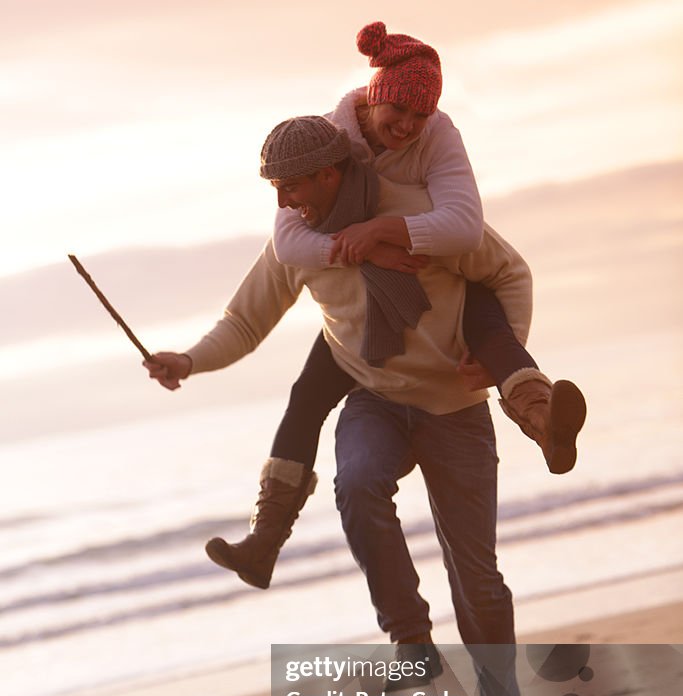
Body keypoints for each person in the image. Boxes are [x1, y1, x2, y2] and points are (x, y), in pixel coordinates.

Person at [145, 115, 548, 696]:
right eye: (274, 189)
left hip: (454, 409)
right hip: (376, 399)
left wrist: (504, 344)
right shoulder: (296, 243)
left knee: (478, 586)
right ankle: (411, 644)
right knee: (356, 484)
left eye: (293, 186)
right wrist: (187, 359)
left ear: (332, 172)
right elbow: (244, 323)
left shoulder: (423, 219)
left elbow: (508, 270)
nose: (283, 203)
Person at [200, 22, 586, 591]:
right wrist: (186, 361)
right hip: (363, 343)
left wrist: (388, 230)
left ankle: (539, 415)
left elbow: (472, 235)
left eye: (418, 116)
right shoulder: (323, 164)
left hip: (439, 300)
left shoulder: (428, 158)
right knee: (309, 400)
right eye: (395, 113)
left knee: (481, 315)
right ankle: (266, 542)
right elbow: (262, 286)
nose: (406, 128)